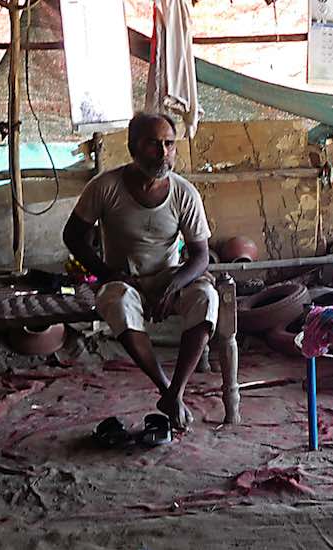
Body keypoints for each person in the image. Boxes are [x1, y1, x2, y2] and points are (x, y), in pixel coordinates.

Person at [63, 112, 216, 431]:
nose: (163, 153)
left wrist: (174, 284)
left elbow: (200, 256)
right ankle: (165, 388)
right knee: (117, 302)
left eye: (169, 144)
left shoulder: (184, 193)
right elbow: (73, 236)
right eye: (152, 144)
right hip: (124, 281)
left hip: (168, 277)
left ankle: (176, 391)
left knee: (206, 296)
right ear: (133, 147)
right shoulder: (105, 187)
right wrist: (106, 273)